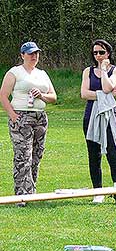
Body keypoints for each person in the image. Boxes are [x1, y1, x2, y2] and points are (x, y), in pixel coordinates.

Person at [0, 42, 57, 207]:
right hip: (22, 116)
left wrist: (42, 96)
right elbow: (3, 95)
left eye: (36, 53)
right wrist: (13, 116)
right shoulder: (14, 72)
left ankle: (31, 193)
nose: (34, 56)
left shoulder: (42, 74)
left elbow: (53, 97)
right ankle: (21, 197)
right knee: (23, 156)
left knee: (36, 155)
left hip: (40, 117)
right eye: (30, 53)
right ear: (22, 55)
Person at [81, 39, 116, 203]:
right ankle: (97, 192)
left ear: (108, 53)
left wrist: (105, 70)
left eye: (101, 52)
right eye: (95, 53)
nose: (98, 56)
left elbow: (107, 86)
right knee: (94, 155)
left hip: (108, 116)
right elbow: (84, 94)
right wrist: (108, 95)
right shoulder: (88, 71)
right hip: (90, 115)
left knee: (113, 154)